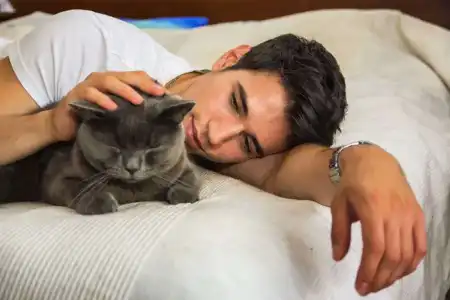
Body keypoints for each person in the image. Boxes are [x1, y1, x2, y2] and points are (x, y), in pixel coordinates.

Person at [0, 9, 426, 296]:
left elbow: (303, 168)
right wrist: (51, 123)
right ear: (229, 58)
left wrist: (371, 163)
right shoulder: (86, 43)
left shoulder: (228, 146)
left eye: (247, 143)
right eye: (236, 102)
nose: (215, 136)